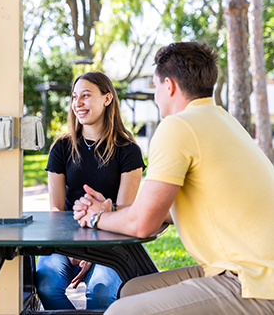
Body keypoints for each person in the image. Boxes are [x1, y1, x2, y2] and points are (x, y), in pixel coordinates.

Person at [74, 42, 274, 314]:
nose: (155, 95)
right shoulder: (222, 120)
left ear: (168, 86)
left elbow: (144, 224)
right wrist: (112, 210)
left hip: (254, 281)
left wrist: (96, 217)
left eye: (155, 86)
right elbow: (164, 210)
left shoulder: (179, 126)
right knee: (132, 290)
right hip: (242, 267)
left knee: (121, 312)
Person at [36, 71, 146, 310]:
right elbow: (56, 209)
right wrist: (71, 247)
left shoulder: (128, 151)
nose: (78, 103)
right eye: (75, 97)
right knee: (46, 282)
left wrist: (94, 252)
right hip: (65, 241)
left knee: (101, 290)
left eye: (86, 96)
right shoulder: (62, 147)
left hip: (111, 241)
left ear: (107, 99)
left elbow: (125, 210)